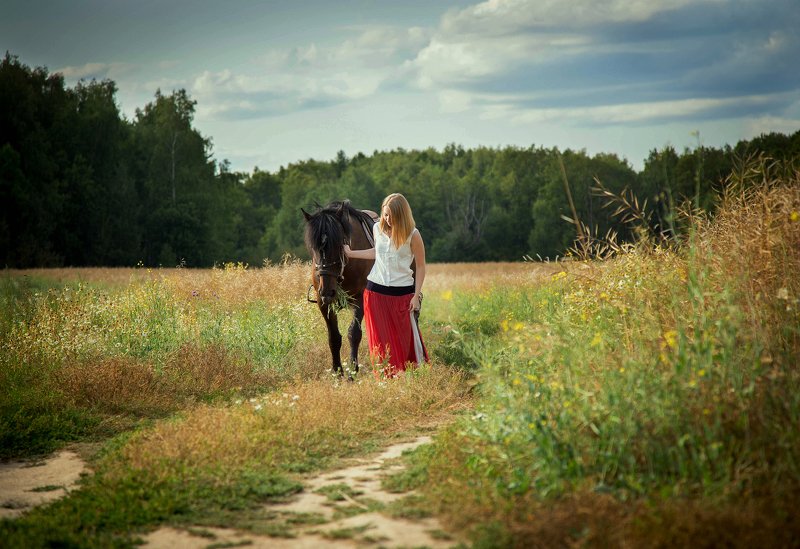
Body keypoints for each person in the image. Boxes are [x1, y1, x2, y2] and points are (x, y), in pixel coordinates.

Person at [344, 193, 428, 376]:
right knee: (381, 343)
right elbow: (377, 253)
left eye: (392, 215)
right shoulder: (377, 229)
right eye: (385, 214)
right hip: (375, 294)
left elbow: (421, 266)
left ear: (402, 214)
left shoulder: (413, 235)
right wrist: (351, 253)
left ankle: (406, 377)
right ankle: (386, 379)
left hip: (403, 295)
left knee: (404, 341)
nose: (388, 219)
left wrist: (416, 295)